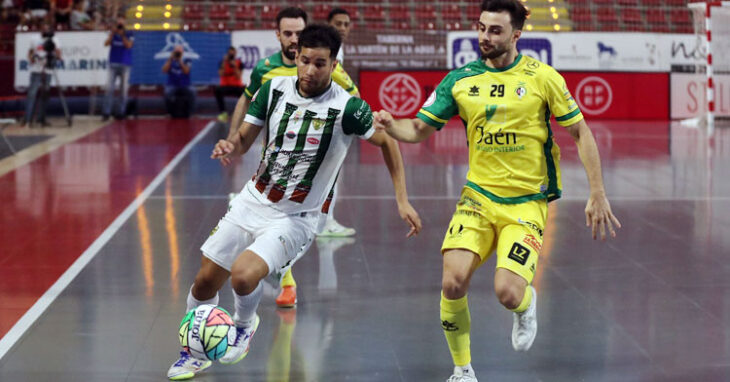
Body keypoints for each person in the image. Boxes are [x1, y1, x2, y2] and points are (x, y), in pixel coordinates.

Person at [373, 0, 622, 380]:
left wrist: (597, 191)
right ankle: (462, 370)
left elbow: (579, 132)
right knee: (452, 281)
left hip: (526, 203)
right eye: (481, 27)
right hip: (477, 198)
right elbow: (418, 130)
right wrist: (392, 125)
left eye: (495, 31)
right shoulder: (460, 80)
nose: (484, 37)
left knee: (507, 292)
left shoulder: (543, 78)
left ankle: (524, 305)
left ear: (516, 36)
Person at [166, 24, 422, 380]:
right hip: (252, 201)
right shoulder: (272, 90)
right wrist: (230, 146)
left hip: (295, 218)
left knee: (242, 276)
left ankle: (243, 325)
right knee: (203, 283)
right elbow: (243, 139)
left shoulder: (348, 107)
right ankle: (194, 351)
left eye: (320, 63)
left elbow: (389, 143)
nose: (310, 70)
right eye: (304, 61)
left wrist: (402, 199)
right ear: (296, 56)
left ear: (334, 64)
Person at [224, 7, 360, 308]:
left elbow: (355, 100)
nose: (294, 38)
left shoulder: (330, 72)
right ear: (279, 35)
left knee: (294, 221)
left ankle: (283, 273)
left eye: (299, 32)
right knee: (274, 222)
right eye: (288, 33)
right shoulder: (265, 71)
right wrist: (233, 136)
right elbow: (245, 101)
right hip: (273, 161)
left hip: (314, 161)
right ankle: (280, 274)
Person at [21, 23, 61, 127]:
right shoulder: (34, 38)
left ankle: (41, 118)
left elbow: (58, 54)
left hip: (47, 69)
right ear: (40, 29)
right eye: (44, 28)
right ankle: (28, 118)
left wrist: (54, 53)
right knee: (32, 93)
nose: (45, 30)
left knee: (45, 94)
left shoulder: (54, 40)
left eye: (47, 28)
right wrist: (31, 58)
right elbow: (30, 52)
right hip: (36, 69)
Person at [102, 16, 133, 120]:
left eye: (121, 24)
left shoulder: (129, 34)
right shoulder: (113, 34)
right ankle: (106, 112)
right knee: (109, 89)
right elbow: (106, 44)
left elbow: (128, 45)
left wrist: (123, 35)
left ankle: (121, 112)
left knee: (123, 90)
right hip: (113, 64)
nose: (120, 26)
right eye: (118, 23)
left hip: (125, 64)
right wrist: (112, 34)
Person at [162, 45, 195, 118]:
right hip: (172, 84)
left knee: (193, 92)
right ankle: (169, 113)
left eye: (179, 51)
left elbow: (186, 71)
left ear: (182, 52)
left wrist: (180, 61)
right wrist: (170, 59)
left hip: (185, 85)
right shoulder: (170, 60)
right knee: (167, 93)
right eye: (176, 51)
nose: (178, 53)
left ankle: (190, 113)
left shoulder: (187, 60)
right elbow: (164, 70)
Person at [214, 46, 244, 123]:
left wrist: (234, 66)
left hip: (237, 86)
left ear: (235, 54)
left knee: (246, 92)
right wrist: (224, 62)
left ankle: (242, 113)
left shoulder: (239, 63)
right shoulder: (222, 62)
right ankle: (223, 113)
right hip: (225, 86)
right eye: (230, 53)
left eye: (232, 53)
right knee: (217, 90)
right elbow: (221, 74)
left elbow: (238, 76)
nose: (231, 55)